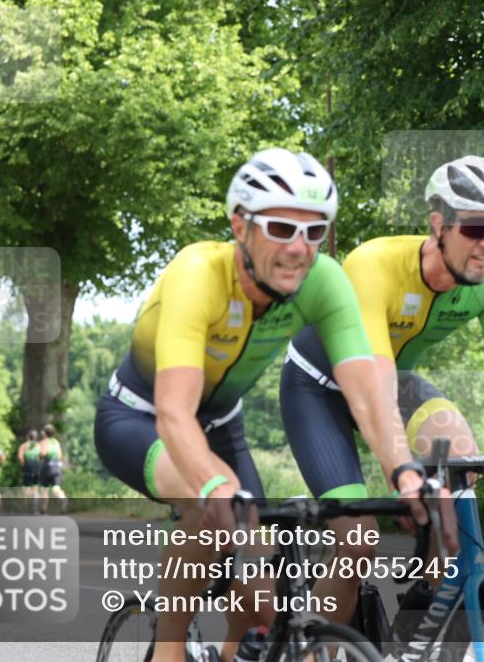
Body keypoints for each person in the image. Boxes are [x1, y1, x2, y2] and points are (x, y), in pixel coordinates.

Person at [94, 148, 451, 662]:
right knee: (208, 508)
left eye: (315, 232)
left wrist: (406, 474)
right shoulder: (198, 272)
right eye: (282, 228)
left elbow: (370, 395)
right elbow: (174, 411)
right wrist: (214, 483)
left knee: (259, 601)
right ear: (240, 225)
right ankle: (167, 650)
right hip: (140, 419)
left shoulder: (324, 281)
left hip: (220, 428)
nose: (300, 249)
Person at [280, 155, 484, 626]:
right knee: (358, 538)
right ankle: (314, 654)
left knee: (461, 464)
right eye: (475, 229)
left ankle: (421, 622)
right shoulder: (374, 264)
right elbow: (374, 380)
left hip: (394, 380)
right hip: (321, 388)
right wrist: (401, 473)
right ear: (438, 225)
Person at [38, 423, 67, 514]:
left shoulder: (43, 442)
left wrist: (40, 456)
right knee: (56, 488)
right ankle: (63, 498)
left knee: (44, 489)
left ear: (44, 433)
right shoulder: (56, 442)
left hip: (47, 467)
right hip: (57, 467)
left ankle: (44, 509)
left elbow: (43, 453)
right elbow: (60, 455)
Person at [17, 429, 42, 512]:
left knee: (26, 488)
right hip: (37, 466)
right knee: (35, 488)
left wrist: (24, 464)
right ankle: (35, 509)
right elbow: (42, 455)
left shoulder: (23, 445)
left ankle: (26, 508)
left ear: (27, 436)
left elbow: (20, 457)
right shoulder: (39, 445)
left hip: (28, 466)